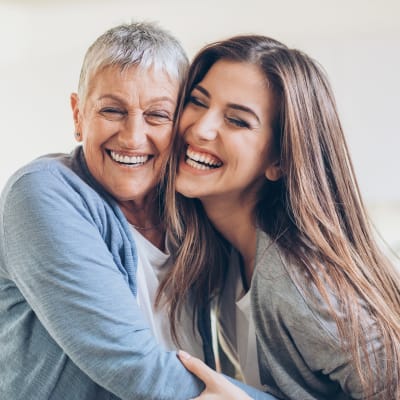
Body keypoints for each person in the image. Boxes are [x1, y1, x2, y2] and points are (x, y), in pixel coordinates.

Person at [0, 22, 273, 400]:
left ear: (181, 125)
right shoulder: (42, 192)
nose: (132, 136)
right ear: (78, 116)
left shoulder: (191, 214)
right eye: (112, 110)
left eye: (158, 116)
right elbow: (136, 368)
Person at [163, 35, 400, 399]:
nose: (201, 128)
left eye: (237, 121)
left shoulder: (300, 282)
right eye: (197, 102)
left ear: (279, 160)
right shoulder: (221, 258)